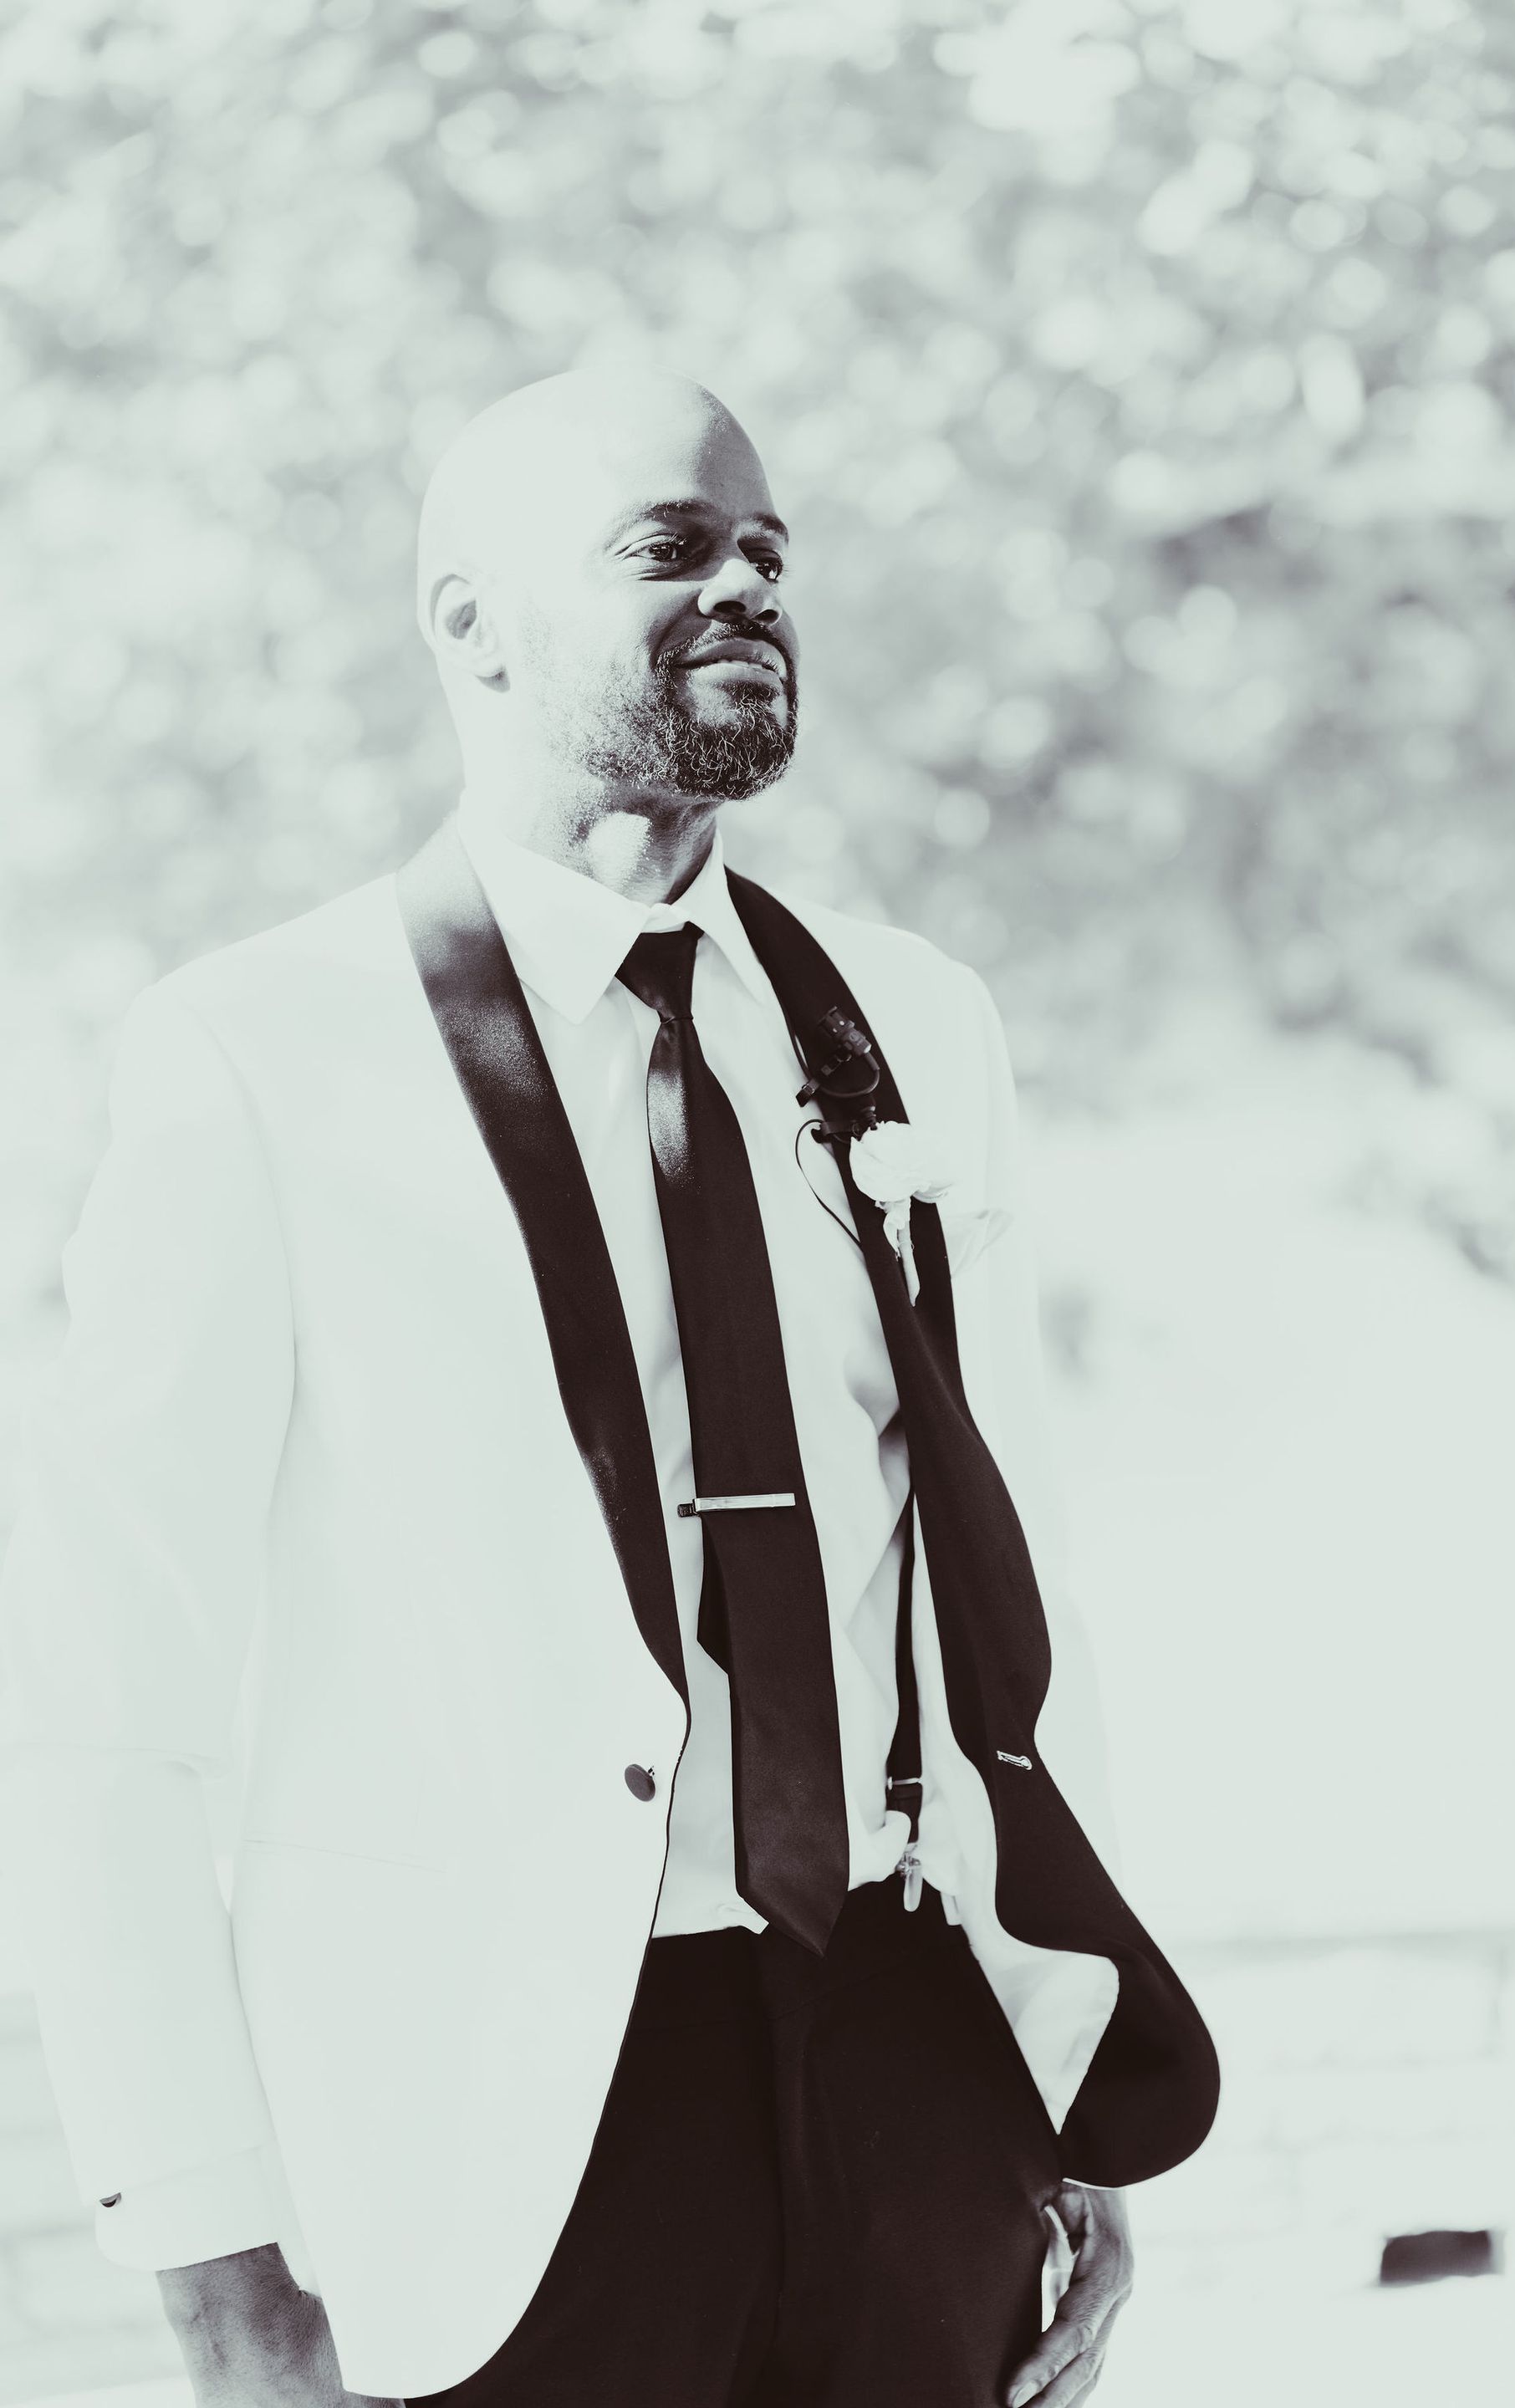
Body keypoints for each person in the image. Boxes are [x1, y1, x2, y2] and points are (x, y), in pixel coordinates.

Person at [0, 370, 1217, 2407]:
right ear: (469, 623)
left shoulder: (917, 1022)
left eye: (771, 554)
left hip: (919, 2067)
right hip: (504, 2125)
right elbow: (105, 1718)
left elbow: (1004, 1581)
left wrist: (1057, 2080)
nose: (747, 583)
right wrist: (213, 2264)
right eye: (671, 547)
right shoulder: (255, 1056)